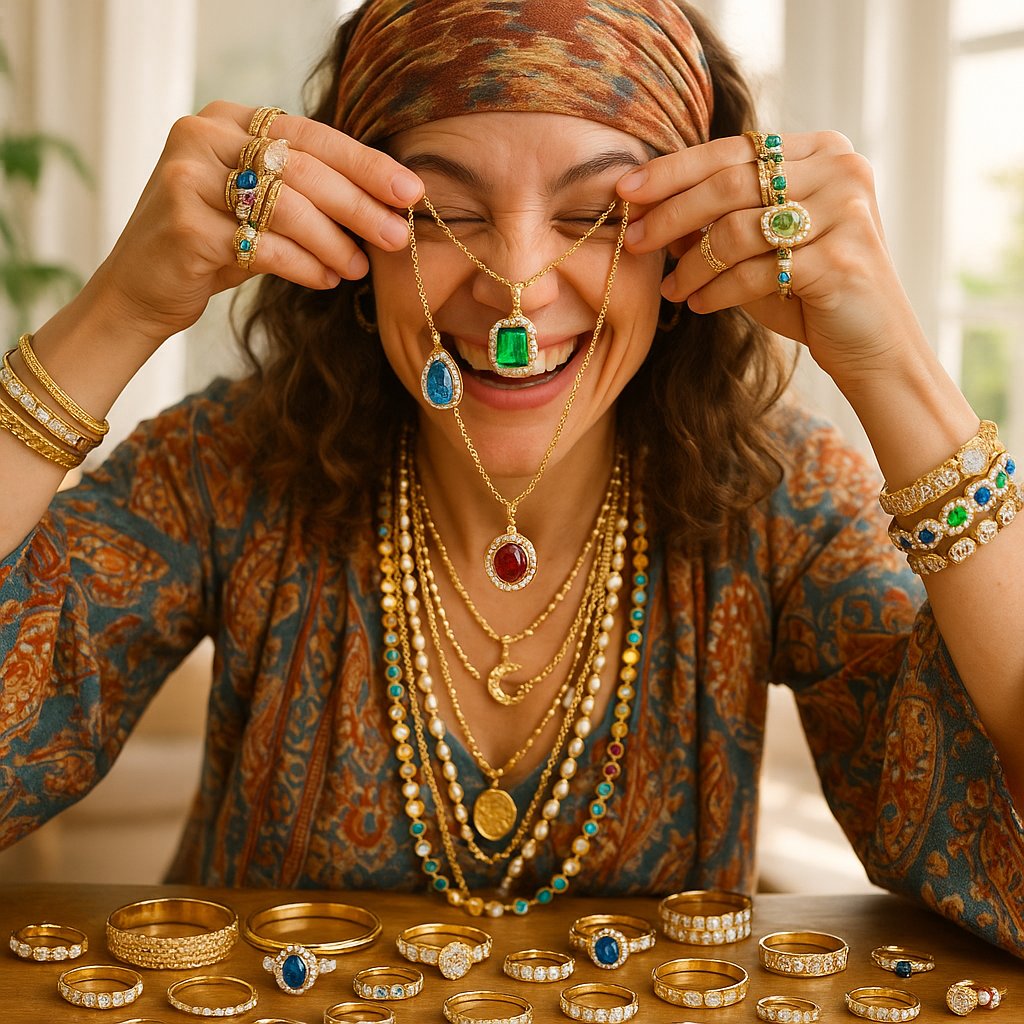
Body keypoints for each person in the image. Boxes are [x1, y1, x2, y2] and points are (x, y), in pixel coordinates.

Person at [1, 0, 1022, 959]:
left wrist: (894, 367)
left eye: (595, 215)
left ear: (689, 239)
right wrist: (116, 312)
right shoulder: (223, 467)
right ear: (353, 228)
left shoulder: (780, 496)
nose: (517, 291)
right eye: (446, 211)